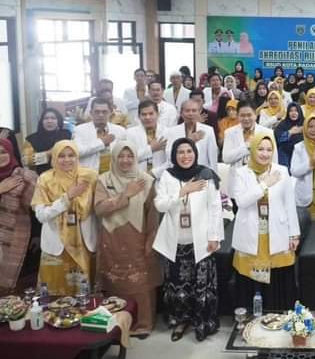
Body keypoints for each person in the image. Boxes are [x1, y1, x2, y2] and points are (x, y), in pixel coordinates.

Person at [152, 138, 222, 342]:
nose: (185, 156)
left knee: (201, 285)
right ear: (174, 155)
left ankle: (202, 322)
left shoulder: (206, 174)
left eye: (189, 151)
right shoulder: (168, 175)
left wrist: (214, 236)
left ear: (195, 153)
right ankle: (180, 321)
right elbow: (160, 205)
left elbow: (215, 208)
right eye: (180, 152)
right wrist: (182, 192)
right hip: (175, 241)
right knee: (178, 286)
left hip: (202, 240)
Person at [95, 141, 161, 336]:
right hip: (112, 239)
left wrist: (151, 240)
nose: (125, 160)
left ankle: (142, 324)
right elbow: (99, 209)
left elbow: (152, 215)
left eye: (130, 156)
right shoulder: (103, 180)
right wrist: (126, 194)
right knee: (115, 281)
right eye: (121, 156)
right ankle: (116, 324)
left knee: (140, 281)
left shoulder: (146, 180)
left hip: (138, 237)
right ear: (114, 158)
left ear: (135, 157)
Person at [231, 134, 300, 312]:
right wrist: (264, 185)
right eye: (260, 149)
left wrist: (294, 234)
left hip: (277, 233)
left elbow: (289, 204)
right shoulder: (241, 173)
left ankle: (277, 317)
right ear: (253, 150)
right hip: (251, 235)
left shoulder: (281, 171)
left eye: (269, 150)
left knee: (278, 279)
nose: (265, 154)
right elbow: (241, 202)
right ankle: (252, 319)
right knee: (251, 281)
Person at [32, 140, 98, 295]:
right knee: (54, 296)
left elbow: (99, 208)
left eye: (71, 155)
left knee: (85, 296)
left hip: (84, 243)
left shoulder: (90, 176)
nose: (67, 160)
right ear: (54, 157)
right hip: (56, 245)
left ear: (77, 156)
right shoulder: (45, 179)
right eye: (61, 156)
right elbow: (41, 215)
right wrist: (67, 198)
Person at [0, 138, 37, 295]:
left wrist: (37, 236)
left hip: (20, 240)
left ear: (11, 152)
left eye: (3, 152)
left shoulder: (25, 177)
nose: (0, 156)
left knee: (19, 289)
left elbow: (37, 207)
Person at [222, 101, 276, 190]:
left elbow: (274, 161)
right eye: (242, 115)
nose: (246, 118)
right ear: (238, 116)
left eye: (249, 115)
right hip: (237, 183)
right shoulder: (229, 133)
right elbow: (226, 158)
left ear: (255, 115)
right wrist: (247, 146)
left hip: (261, 182)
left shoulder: (267, 132)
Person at [73, 98, 126, 173]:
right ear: (91, 113)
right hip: (88, 175)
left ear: (110, 113)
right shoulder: (79, 130)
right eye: (97, 112)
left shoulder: (120, 130)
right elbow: (77, 152)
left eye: (104, 112)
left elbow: (124, 154)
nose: (101, 115)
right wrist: (102, 142)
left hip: (113, 174)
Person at [164, 99, 218, 171]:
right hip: (180, 172)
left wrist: (214, 175)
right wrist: (188, 140)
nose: (190, 114)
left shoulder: (208, 130)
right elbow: (169, 155)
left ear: (199, 112)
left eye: (194, 111)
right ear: (181, 113)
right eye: (187, 111)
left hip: (201, 173)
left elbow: (213, 158)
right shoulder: (172, 131)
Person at [23, 108, 72, 175]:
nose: (49, 121)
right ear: (41, 121)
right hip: (40, 176)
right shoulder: (31, 139)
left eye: (53, 118)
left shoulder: (66, 135)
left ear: (58, 121)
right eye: (46, 118)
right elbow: (26, 161)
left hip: (65, 174)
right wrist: (49, 153)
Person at [126, 100, 168, 177]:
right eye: (144, 114)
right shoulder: (130, 133)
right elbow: (127, 159)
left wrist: (154, 173)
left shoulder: (167, 132)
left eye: (151, 114)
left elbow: (171, 161)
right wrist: (151, 149)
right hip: (137, 177)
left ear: (158, 114)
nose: (147, 117)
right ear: (139, 116)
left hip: (161, 177)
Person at [274, 103, 304, 169]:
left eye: (296, 111)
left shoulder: (305, 123)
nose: (293, 113)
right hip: (285, 155)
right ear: (288, 113)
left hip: (301, 155)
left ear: (299, 112)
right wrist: (290, 132)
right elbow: (278, 138)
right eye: (291, 111)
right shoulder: (283, 124)